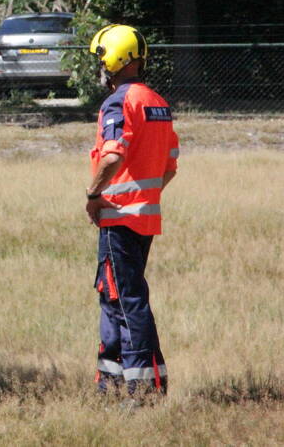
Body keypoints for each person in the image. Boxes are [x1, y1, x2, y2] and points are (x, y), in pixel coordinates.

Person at [84, 24, 179, 399]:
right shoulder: (157, 102)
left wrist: (93, 194)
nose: (99, 66)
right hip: (144, 219)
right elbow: (169, 166)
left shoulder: (119, 102)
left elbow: (112, 155)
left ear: (114, 58)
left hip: (119, 218)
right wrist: (144, 195)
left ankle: (145, 388)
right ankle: (109, 382)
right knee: (113, 297)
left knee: (127, 300)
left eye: (100, 58)